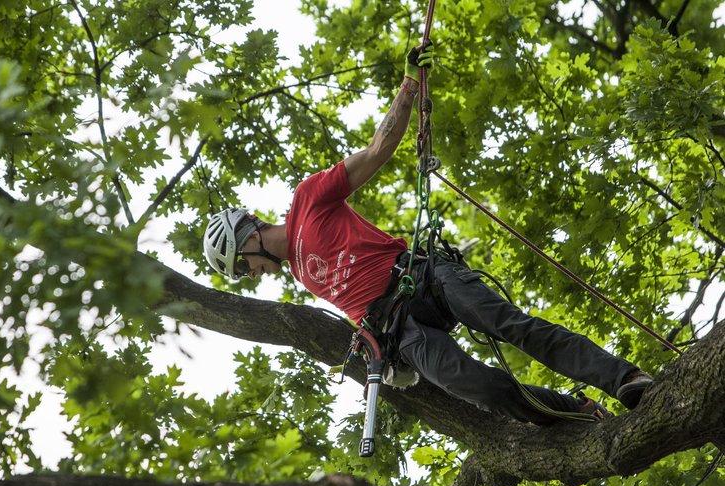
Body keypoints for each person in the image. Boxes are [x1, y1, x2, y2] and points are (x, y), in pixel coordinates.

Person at [203, 44, 654, 424]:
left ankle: (625, 379)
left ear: (245, 241)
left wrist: (409, 86)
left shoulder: (308, 199)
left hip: (422, 276)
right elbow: (358, 307)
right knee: (477, 387)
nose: (252, 276)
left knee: (512, 325)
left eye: (242, 268)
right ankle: (578, 412)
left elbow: (378, 150)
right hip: (402, 328)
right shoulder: (302, 275)